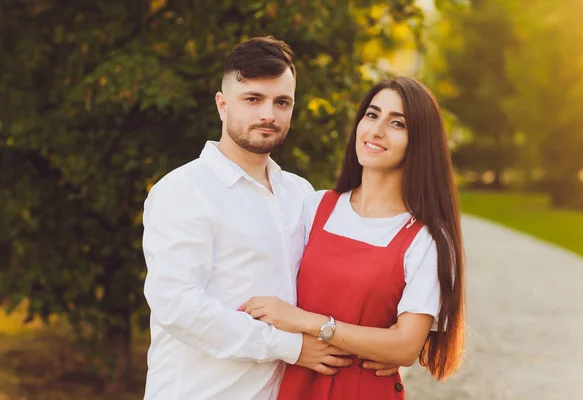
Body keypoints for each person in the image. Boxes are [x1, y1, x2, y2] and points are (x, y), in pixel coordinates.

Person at [141, 37, 396, 400]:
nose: (268, 114)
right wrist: (289, 346)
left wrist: (382, 345)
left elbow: (339, 281)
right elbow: (179, 307)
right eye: (253, 99)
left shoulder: (301, 194)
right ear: (222, 105)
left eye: (282, 102)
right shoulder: (183, 191)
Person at [240, 76, 466, 399]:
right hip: (297, 384)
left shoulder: (425, 239)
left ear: (419, 142)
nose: (376, 130)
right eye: (372, 115)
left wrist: (311, 324)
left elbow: (404, 347)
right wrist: (369, 340)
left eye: (397, 123)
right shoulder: (315, 206)